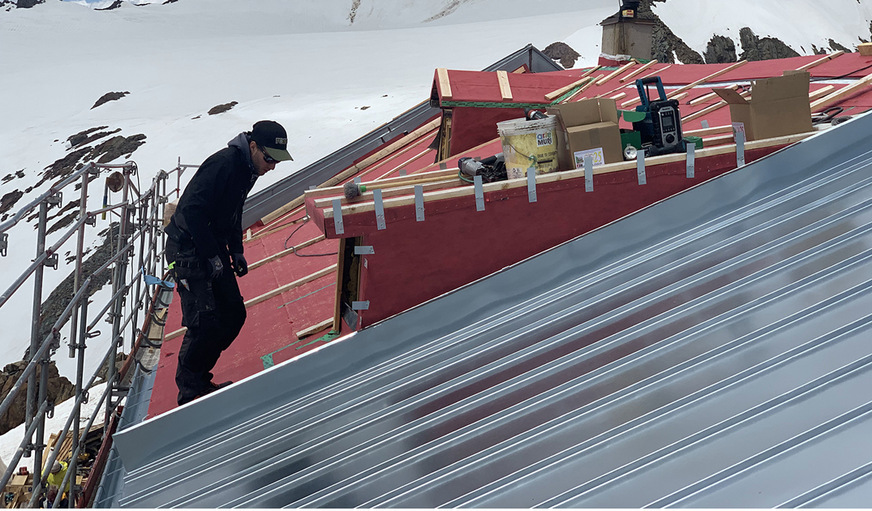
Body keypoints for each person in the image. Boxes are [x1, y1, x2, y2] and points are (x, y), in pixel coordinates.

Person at [165, 120, 293, 405]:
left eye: (277, 161)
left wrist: (235, 250)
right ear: (252, 146)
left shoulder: (249, 169)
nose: (271, 166)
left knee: (234, 314)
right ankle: (190, 390)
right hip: (187, 248)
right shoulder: (223, 164)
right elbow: (192, 211)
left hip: (211, 245)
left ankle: (199, 376)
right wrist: (212, 255)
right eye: (269, 158)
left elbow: (235, 210)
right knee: (205, 320)